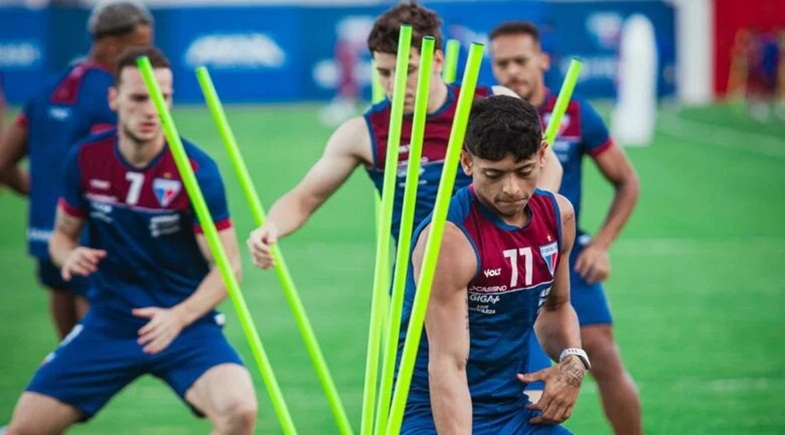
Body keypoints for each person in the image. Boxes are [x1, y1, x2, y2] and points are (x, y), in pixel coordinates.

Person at [4, 46, 257, 435]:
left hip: (186, 325)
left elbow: (228, 268)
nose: (152, 110)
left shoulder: (196, 171)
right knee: (23, 429)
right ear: (114, 98)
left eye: (163, 97)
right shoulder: (86, 158)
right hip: (109, 321)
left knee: (240, 411)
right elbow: (61, 237)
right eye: (139, 97)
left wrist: (179, 317)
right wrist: (68, 257)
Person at [247, 2, 562, 269]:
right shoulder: (363, 132)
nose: (395, 84)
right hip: (421, 284)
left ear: (437, 61)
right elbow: (304, 198)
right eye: (384, 73)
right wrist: (270, 228)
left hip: (502, 274)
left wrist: (532, 226)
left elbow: (548, 165)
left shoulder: (492, 103)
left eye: (408, 70)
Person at [399, 95, 587, 434]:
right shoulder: (448, 241)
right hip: (434, 414)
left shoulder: (559, 216)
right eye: (493, 174)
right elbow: (448, 365)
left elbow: (556, 307)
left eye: (524, 171)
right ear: (467, 162)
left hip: (512, 408)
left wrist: (573, 362)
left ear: (542, 155)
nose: (511, 189)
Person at [489, 21, 642, 435]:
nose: (511, 71)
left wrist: (602, 245)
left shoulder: (575, 114)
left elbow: (627, 181)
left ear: (543, 60)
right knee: (516, 375)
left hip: (563, 253)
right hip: (502, 259)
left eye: (520, 60)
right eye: (502, 63)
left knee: (603, 354)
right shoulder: (484, 118)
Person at [0, 0, 153, 339]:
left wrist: (43, 197)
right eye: (141, 46)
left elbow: (3, 161)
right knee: (95, 348)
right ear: (112, 45)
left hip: (46, 232)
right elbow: (119, 168)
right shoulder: (115, 98)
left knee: (67, 344)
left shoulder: (46, 89)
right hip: (94, 237)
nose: (148, 56)